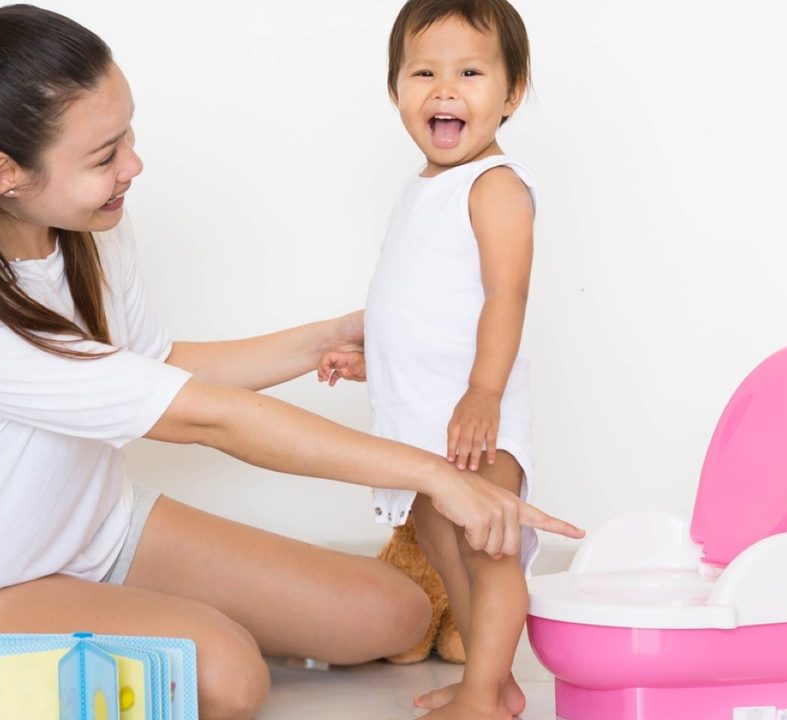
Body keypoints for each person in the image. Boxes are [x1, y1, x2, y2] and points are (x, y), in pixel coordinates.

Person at [0, 5, 582, 719]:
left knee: (397, 614)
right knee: (227, 675)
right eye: (105, 156)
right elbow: (208, 418)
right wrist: (433, 475)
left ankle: (136, 616)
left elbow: (154, 364)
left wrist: (331, 336)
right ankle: (145, 627)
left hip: (96, 534)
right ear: (6, 173)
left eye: (127, 132)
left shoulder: (86, 227)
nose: (133, 164)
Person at [318, 1, 547, 718]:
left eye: (471, 73)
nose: (445, 90)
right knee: (444, 550)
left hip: (473, 417)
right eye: (424, 72)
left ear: (511, 94)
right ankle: (494, 680)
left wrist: (484, 393)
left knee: (487, 551)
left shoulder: (496, 186)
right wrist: (373, 361)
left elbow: (505, 296)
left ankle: (485, 692)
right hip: (421, 419)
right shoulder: (424, 189)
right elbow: (420, 303)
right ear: (396, 91)